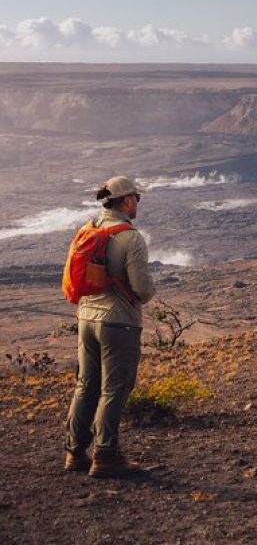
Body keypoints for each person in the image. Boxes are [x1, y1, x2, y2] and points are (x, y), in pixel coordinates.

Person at [64, 176, 156, 478]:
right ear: (127, 200)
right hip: (117, 323)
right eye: (137, 199)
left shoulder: (87, 229)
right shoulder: (130, 237)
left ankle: (74, 452)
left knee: (86, 384)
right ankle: (105, 455)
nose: (137, 204)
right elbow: (142, 288)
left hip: (86, 318)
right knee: (115, 387)